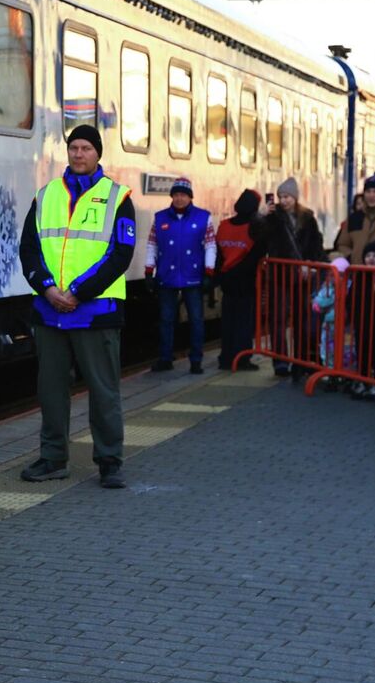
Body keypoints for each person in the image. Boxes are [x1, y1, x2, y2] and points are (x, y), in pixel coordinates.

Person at [19, 124, 136, 490]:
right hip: (51, 310)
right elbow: (29, 250)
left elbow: (121, 254)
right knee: (51, 391)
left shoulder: (118, 197)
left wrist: (79, 292)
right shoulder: (46, 195)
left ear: (98, 153)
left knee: (104, 391)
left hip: (96, 312)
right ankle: (53, 458)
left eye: (86, 148)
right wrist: (48, 288)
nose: (79, 154)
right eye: (74, 148)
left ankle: (110, 461)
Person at [145, 178, 215, 373]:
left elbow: (210, 246)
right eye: (176, 195)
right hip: (167, 275)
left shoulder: (204, 217)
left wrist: (209, 271)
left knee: (196, 319)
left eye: (183, 195)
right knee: (166, 319)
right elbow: (152, 244)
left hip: (193, 275)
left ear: (190, 197)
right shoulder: (160, 218)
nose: (179, 198)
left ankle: (196, 360)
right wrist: (149, 271)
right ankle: (165, 358)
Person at [263, 177, 325, 376]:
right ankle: (280, 362)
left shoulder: (308, 218)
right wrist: (261, 216)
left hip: (302, 276)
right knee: (278, 318)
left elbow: (316, 244)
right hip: (279, 275)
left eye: (287, 196)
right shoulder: (273, 217)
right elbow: (258, 235)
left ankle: (300, 359)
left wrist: (311, 263)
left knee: (301, 318)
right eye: (281, 197)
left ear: (295, 197)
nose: (284, 200)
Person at [214, 191, 266, 371]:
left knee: (228, 321)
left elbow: (218, 254)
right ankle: (242, 358)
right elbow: (255, 256)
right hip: (245, 280)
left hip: (227, 280)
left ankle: (225, 358)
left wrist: (221, 275)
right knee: (244, 321)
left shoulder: (223, 226)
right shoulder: (255, 228)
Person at [332, 172, 375, 264]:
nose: (371, 195)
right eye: (368, 191)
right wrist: (350, 256)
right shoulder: (354, 218)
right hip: (357, 272)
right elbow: (342, 244)